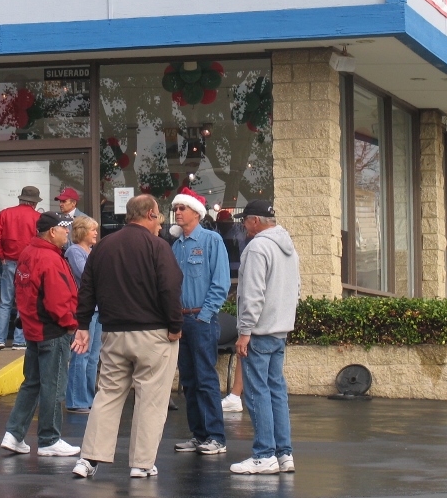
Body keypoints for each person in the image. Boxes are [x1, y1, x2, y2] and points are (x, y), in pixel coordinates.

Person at [71, 194, 183, 480]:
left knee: (107, 394)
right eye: (158, 216)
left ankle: (89, 459)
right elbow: (169, 287)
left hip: (113, 333)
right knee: (151, 398)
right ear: (149, 215)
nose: (159, 223)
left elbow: (87, 287)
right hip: (154, 334)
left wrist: (83, 323)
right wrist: (175, 324)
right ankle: (142, 463)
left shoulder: (103, 246)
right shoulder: (158, 247)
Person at [0, 211, 80, 458]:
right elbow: (57, 300)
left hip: (34, 329)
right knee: (53, 386)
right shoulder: (49, 258)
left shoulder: (28, 254)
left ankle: (14, 434)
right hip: (52, 330)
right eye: (64, 228)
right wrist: (70, 324)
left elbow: (23, 292)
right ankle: (49, 439)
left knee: (32, 383)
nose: (68, 232)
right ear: (52, 231)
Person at [230, 199, 300, 475]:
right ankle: (284, 454)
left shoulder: (258, 247)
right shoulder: (289, 247)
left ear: (255, 221)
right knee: (276, 391)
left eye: (245, 220)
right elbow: (296, 289)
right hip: (280, 329)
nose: (244, 225)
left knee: (258, 392)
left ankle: (264, 454)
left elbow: (252, 294)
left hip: (259, 331)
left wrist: (244, 332)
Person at [170, 187, 231, 456]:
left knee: (206, 378)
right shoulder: (175, 245)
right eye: (176, 208)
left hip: (201, 320)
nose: (178, 212)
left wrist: (205, 315)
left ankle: (216, 436)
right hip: (181, 320)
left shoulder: (211, 241)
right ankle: (198, 434)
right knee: (189, 380)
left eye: (182, 208)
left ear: (197, 212)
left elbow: (221, 283)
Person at [0, 185, 41, 350]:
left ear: (21, 199)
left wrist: (0, 255)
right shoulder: (38, 217)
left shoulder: (6, 214)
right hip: (30, 263)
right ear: (34, 203)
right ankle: (19, 340)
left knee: (5, 301)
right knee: (25, 301)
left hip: (9, 261)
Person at [64, 216, 101, 413]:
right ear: (81, 232)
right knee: (81, 355)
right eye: (92, 230)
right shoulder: (74, 251)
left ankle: (88, 398)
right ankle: (76, 400)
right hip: (84, 311)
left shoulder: (93, 252)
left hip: (98, 310)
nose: (96, 233)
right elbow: (86, 274)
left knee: (93, 357)